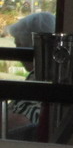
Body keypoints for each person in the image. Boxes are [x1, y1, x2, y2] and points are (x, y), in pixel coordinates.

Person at [2, 11, 55, 139]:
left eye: (19, 45)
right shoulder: (41, 74)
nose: (17, 52)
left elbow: (26, 120)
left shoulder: (42, 77)